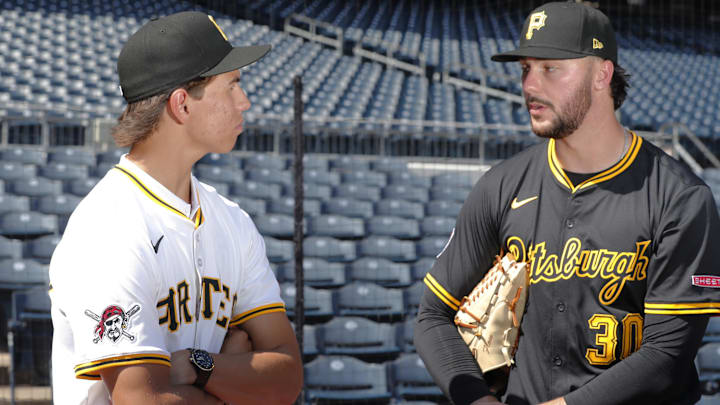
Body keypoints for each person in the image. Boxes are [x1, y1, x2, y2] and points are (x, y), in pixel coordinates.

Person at [414, 2, 720, 405]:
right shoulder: (500, 186)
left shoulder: (680, 198)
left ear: (601, 74)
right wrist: (478, 399)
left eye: (550, 68)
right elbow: (432, 316)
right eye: (525, 68)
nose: (529, 85)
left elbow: (666, 355)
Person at [49, 11, 303, 405]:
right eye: (232, 86)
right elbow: (143, 401)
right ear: (182, 105)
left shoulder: (232, 220)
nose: (246, 102)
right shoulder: (108, 228)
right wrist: (233, 372)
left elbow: (286, 378)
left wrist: (200, 366)